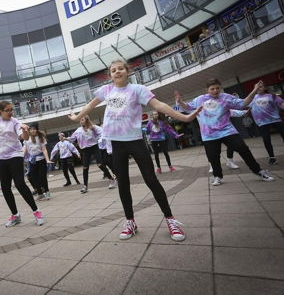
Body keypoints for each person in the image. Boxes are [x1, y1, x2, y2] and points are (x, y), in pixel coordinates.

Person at [69, 59, 202, 241]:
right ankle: (130, 221)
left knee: (151, 180)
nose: (117, 72)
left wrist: (184, 118)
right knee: (123, 183)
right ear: (110, 75)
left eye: (120, 68)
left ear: (127, 71)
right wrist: (77, 117)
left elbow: (159, 106)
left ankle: (170, 220)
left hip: (135, 141)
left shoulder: (138, 89)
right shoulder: (107, 90)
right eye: (113, 70)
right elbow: (90, 106)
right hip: (116, 143)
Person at [176, 78, 274, 186]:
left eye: (217, 88)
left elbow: (243, 103)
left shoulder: (226, 97)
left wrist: (254, 91)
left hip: (227, 131)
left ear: (220, 88)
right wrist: (180, 102)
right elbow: (188, 107)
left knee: (243, 148)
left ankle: (258, 171)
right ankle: (217, 176)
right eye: (212, 89)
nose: (215, 91)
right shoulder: (200, 99)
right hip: (209, 135)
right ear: (207, 90)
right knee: (213, 157)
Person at [69, 116, 114, 193]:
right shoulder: (78, 130)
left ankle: (111, 179)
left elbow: (102, 132)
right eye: (80, 120)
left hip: (94, 147)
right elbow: (72, 139)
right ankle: (85, 186)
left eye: (82, 119)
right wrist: (66, 138)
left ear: (86, 120)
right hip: (85, 150)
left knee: (100, 164)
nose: (81, 121)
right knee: (85, 168)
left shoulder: (93, 127)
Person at [249, 83, 284, 165]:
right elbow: (248, 107)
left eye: (260, 86)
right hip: (262, 123)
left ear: (265, 88)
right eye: (256, 87)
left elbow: (281, 104)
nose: (258, 88)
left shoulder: (272, 96)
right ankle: (272, 158)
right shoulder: (253, 98)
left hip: (275, 119)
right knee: (266, 140)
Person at [24, 123, 53, 200]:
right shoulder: (27, 139)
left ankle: (47, 192)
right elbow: (25, 150)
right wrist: (21, 159)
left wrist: (47, 159)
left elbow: (44, 149)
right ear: (29, 130)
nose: (32, 130)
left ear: (36, 130)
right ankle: (40, 193)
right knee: (33, 177)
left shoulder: (40, 137)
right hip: (32, 161)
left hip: (41, 160)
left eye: (34, 129)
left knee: (43, 177)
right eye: (31, 129)